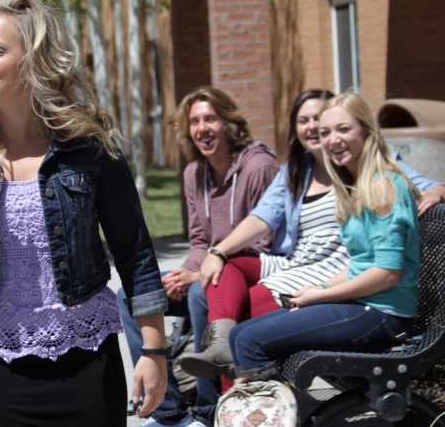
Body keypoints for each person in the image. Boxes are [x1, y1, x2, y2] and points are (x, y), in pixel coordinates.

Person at [0, 0, 168, 427]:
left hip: (85, 364)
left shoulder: (89, 146)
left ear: (34, 62)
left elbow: (134, 250)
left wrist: (153, 349)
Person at [179, 89, 445, 382]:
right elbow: (361, 261)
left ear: (367, 132)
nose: (333, 139)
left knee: (247, 340)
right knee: (240, 333)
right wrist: (318, 289)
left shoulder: (382, 186)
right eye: (326, 131)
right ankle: (250, 415)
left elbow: (386, 274)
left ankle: (261, 421)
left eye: (344, 129)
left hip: (381, 313)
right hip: (362, 302)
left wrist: (321, 294)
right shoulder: (354, 183)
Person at [122, 85, 278, 427]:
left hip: (251, 276)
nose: (202, 128)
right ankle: (169, 412)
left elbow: (268, 240)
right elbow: (197, 240)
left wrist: (199, 275)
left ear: (229, 122)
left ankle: (209, 412)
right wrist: (185, 272)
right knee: (134, 296)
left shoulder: (259, 167)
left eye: (211, 118)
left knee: (199, 291)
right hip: (208, 272)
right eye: (195, 122)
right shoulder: (195, 173)